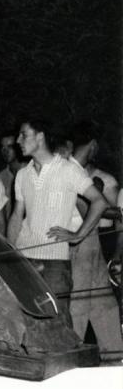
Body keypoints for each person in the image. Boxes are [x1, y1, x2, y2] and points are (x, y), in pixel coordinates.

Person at [7, 119, 109, 331]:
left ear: (40, 136)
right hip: (24, 260)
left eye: (24, 135)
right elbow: (16, 216)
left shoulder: (68, 170)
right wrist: (8, 254)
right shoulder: (22, 174)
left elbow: (99, 202)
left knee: (57, 325)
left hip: (55, 263)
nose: (18, 141)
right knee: (25, 323)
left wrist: (78, 235)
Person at [63, 120, 122, 356]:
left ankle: (115, 357)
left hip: (93, 241)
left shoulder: (74, 169)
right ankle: (72, 360)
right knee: (78, 306)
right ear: (93, 145)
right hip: (79, 244)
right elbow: (90, 209)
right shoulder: (72, 170)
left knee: (104, 304)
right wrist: (117, 212)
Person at [0, 131, 26, 204]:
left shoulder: (28, 170)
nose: (5, 151)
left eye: (10, 147)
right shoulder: (1, 177)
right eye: (3, 147)